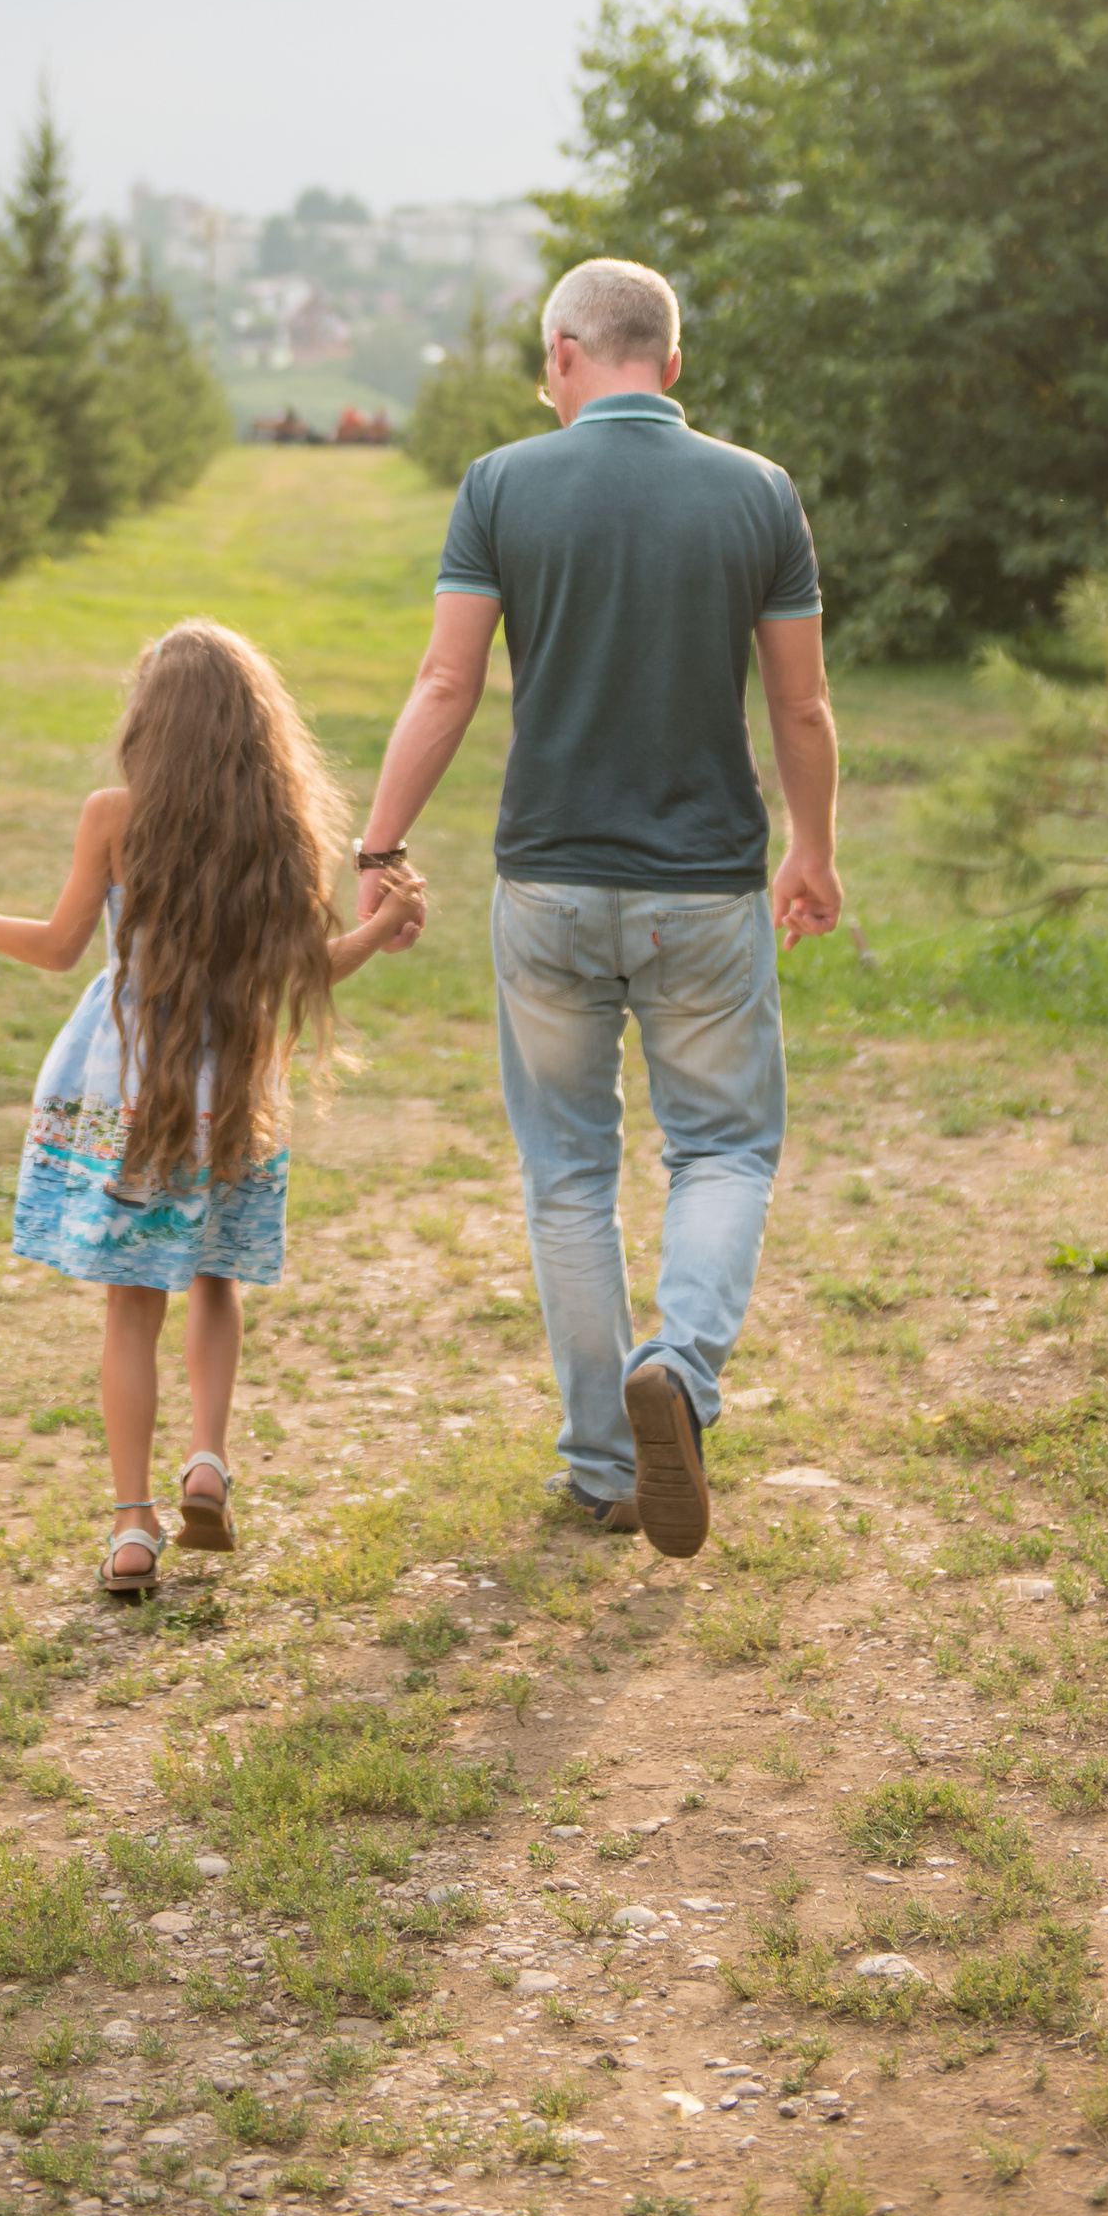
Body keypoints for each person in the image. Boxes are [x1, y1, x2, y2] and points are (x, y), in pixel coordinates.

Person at [355, 257, 840, 1559]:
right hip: (705, 893)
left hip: (549, 888)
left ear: (566, 354)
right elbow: (799, 704)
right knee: (724, 1149)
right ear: (669, 365)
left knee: (566, 1171)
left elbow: (447, 685)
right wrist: (815, 847)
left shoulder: (504, 485)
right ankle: (675, 1373)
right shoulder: (758, 494)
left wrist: (379, 841)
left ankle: (601, 1464)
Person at [0, 620, 425, 1595]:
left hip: (133, 1093)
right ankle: (210, 1461)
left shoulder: (113, 816)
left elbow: (59, 947)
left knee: (129, 1306)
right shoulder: (278, 830)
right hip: (235, 1099)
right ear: (252, 731)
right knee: (215, 1278)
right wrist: (384, 922)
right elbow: (303, 969)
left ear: (151, 725)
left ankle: (133, 1524)